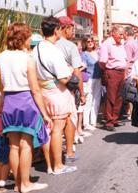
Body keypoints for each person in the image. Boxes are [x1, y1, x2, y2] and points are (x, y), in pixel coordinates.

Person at [0, 22, 51, 193]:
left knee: (13, 146)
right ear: (23, 38)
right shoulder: (27, 58)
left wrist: (3, 101)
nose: (29, 40)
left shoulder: (1, 57)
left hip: (9, 103)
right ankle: (25, 183)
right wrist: (45, 113)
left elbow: (2, 85)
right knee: (26, 144)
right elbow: (35, 89)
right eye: (28, 37)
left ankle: (19, 182)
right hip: (25, 101)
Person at [33, 16, 77, 175]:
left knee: (49, 128)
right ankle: (58, 165)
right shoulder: (54, 51)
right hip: (57, 92)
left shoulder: (36, 48)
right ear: (57, 30)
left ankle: (51, 164)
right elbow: (64, 78)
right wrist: (72, 73)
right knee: (57, 128)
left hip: (43, 92)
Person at [55, 16, 83, 161]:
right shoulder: (70, 46)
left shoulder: (47, 45)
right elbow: (77, 71)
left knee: (54, 124)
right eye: (72, 28)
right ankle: (69, 151)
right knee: (69, 120)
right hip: (66, 88)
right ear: (65, 28)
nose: (73, 31)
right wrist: (82, 93)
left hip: (49, 89)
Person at [99, 25, 128, 131]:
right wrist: (108, 72)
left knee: (118, 98)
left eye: (123, 34)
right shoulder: (106, 44)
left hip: (121, 72)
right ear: (113, 33)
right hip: (112, 72)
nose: (122, 36)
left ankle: (114, 119)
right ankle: (109, 122)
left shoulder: (121, 43)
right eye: (120, 34)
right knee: (111, 97)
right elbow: (102, 62)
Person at [81, 37, 103, 130]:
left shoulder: (97, 53)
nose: (90, 43)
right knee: (89, 99)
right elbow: (82, 66)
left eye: (91, 41)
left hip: (98, 78)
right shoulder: (84, 54)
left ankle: (93, 120)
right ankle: (86, 123)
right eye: (88, 41)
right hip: (89, 78)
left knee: (97, 100)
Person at [123, 26, 138, 120]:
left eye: (123, 34)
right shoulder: (135, 42)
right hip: (136, 68)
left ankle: (130, 113)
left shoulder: (128, 44)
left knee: (130, 92)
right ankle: (132, 113)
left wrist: (124, 74)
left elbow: (127, 60)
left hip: (130, 70)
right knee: (134, 92)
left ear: (126, 33)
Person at [0, 95, 9, 189]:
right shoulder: (0, 119)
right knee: (6, 162)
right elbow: (1, 132)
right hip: (2, 142)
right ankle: (2, 180)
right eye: (2, 106)